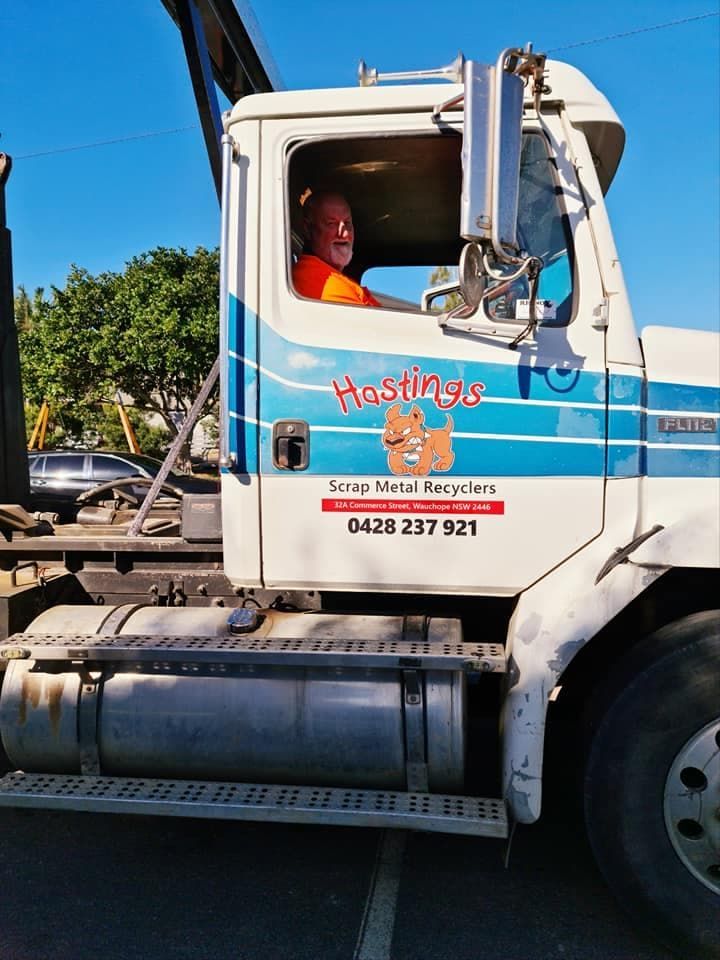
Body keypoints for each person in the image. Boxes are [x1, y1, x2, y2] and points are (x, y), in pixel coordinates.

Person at [292, 191, 380, 307]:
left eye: (347, 223)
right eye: (331, 224)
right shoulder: (318, 283)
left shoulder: (341, 283)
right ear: (308, 229)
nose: (344, 234)